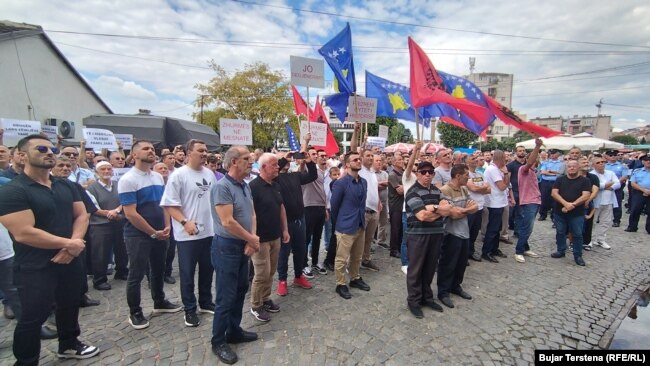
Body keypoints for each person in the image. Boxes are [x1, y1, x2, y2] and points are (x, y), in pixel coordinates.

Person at [0, 135, 99, 364]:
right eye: (42, 148)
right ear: (23, 155)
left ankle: (69, 344)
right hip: (34, 265)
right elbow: (24, 232)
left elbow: (82, 214)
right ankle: (26, 360)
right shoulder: (14, 191)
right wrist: (68, 244)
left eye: (52, 148)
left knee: (69, 304)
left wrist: (74, 245)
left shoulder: (65, 185)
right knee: (32, 316)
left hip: (70, 258)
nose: (50, 152)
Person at [118, 140, 182, 330]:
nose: (151, 151)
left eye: (152, 149)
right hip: (138, 235)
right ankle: (135, 312)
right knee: (136, 274)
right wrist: (152, 232)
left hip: (160, 232)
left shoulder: (156, 176)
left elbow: (164, 204)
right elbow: (130, 213)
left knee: (158, 269)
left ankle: (159, 301)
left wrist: (167, 225)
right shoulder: (128, 179)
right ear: (135, 154)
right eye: (146, 149)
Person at [210, 146, 260, 364]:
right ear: (234, 162)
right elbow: (227, 221)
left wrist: (252, 238)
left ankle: (234, 330)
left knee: (241, 289)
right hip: (227, 247)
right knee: (225, 295)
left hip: (243, 246)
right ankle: (218, 341)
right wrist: (250, 239)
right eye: (247, 159)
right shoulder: (222, 187)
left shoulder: (244, 185)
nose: (251, 162)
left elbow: (252, 213)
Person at [160, 139, 217, 327]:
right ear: (189, 153)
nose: (204, 153)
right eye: (200, 150)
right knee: (187, 273)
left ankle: (206, 301)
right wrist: (185, 222)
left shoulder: (209, 174)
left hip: (209, 232)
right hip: (188, 235)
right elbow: (169, 205)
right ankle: (189, 309)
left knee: (208, 270)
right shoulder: (179, 176)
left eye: (206, 150)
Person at [404, 161, 452, 318]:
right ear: (417, 173)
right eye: (423, 172)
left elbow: (448, 208)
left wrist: (434, 208)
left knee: (430, 268)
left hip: (436, 234)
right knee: (415, 270)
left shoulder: (436, 190)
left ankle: (427, 297)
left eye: (430, 172)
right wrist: (438, 209)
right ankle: (414, 301)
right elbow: (422, 216)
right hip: (418, 235)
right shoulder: (412, 192)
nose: (427, 175)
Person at [248, 153, 289, 322]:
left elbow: (281, 208)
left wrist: (285, 229)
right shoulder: (253, 187)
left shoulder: (275, 185)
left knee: (271, 270)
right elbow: (250, 214)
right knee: (261, 273)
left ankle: (265, 298)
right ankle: (255, 305)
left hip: (275, 236)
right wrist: (251, 237)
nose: (278, 167)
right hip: (260, 238)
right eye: (274, 165)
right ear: (263, 167)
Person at [274, 152, 317, 296]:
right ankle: (282, 280)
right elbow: (274, 171)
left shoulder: (295, 175)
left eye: (289, 159)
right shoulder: (275, 178)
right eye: (283, 160)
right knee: (284, 253)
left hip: (300, 219)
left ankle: (298, 276)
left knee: (300, 250)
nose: (288, 160)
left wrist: (310, 162)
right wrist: (283, 158)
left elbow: (312, 176)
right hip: (284, 222)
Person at [330, 152, 370, 300]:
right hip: (345, 226)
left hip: (360, 224)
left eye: (359, 159)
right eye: (355, 160)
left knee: (357, 256)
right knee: (342, 258)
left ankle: (355, 278)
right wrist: (339, 223)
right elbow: (334, 206)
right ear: (347, 164)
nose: (359, 161)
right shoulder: (340, 183)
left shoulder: (363, 182)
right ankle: (340, 283)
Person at [438, 164, 477, 308]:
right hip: (451, 233)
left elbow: (476, 207)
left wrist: (463, 210)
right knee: (448, 263)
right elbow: (453, 214)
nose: (469, 178)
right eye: (466, 175)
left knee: (461, 263)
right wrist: (467, 209)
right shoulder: (444, 190)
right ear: (458, 176)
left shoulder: (464, 189)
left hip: (464, 232)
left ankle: (456, 286)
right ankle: (443, 292)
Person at [86, 161, 129, 288]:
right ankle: (100, 279)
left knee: (122, 249)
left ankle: (121, 272)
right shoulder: (91, 188)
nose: (106, 172)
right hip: (100, 224)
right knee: (101, 253)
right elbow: (93, 207)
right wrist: (108, 214)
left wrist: (116, 211)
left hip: (118, 221)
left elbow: (125, 200)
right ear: (97, 172)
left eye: (109, 169)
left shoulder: (118, 185)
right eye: (103, 169)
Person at [550, 160, 592, 266]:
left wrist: (572, 205)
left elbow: (586, 195)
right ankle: (561, 250)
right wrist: (565, 204)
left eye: (574, 166)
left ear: (578, 167)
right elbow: (554, 193)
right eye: (569, 166)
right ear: (566, 168)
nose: (572, 168)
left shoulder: (585, 181)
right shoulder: (560, 179)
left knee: (577, 234)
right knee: (560, 232)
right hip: (560, 211)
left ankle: (578, 255)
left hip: (577, 213)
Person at [514, 139, 543, 263]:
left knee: (527, 226)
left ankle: (525, 248)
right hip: (528, 201)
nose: (534, 158)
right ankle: (519, 251)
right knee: (527, 227)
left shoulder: (533, 171)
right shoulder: (523, 169)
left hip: (536, 200)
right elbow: (530, 161)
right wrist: (537, 146)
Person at [481, 150, 510, 263]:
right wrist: (506, 174)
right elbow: (502, 186)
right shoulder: (492, 169)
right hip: (494, 203)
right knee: (493, 228)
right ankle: (486, 251)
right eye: (504, 158)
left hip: (499, 201)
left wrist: (506, 174)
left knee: (497, 228)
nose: (506, 160)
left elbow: (506, 184)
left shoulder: (497, 169)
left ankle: (494, 248)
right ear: (500, 158)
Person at [589, 156, 620, 250]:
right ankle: (589, 239)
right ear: (593, 165)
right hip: (596, 201)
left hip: (609, 200)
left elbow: (617, 183)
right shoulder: (591, 174)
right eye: (598, 162)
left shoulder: (610, 173)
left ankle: (600, 239)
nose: (601, 164)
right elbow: (595, 186)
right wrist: (606, 184)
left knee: (606, 221)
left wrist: (607, 186)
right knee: (592, 221)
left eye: (603, 162)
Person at [465, 154, 490, 262]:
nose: (476, 160)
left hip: (480, 206)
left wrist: (480, 188)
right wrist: (482, 187)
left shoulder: (480, 174)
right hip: (470, 207)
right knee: (467, 231)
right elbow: (473, 188)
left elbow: (489, 189)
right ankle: (464, 255)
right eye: (473, 159)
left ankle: (471, 252)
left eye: (476, 159)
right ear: (466, 162)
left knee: (475, 231)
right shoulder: (466, 174)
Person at [604, 150, 630, 227]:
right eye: (611, 155)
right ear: (607, 156)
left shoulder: (622, 166)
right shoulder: (604, 165)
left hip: (617, 187)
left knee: (617, 204)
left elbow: (625, 176)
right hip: (605, 187)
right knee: (603, 203)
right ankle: (601, 218)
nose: (613, 157)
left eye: (614, 155)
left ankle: (616, 220)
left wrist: (615, 183)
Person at [625, 155, 650, 234]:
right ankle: (632, 227)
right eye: (646, 160)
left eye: (649, 160)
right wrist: (644, 190)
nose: (648, 161)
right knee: (635, 210)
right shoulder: (637, 171)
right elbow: (632, 183)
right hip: (639, 192)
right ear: (642, 162)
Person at [538, 149, 565, 221]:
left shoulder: (561, 163)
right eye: (551, 153)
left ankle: (554, 216)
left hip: (556, 183)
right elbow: (543, 172)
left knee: (555, 200)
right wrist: (554, 173)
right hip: (545, 182)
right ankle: (543, 214)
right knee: (544, 199)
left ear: (558, 154)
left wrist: (549, 171)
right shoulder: (546, 162)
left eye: (554, 153)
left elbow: (560, 173)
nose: (552, 155)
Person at [388, 153, 405, 258]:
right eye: (399, 159)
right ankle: (393, 249)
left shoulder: (403, 173)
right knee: (395, 228)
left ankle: (399, 247)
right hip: (395, 205)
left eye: (402, 159)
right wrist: (407, 186)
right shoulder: (392, 175)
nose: (402, 161)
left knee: (401, 228)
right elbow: (400, 191)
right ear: (394, 162)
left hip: (402, 205)